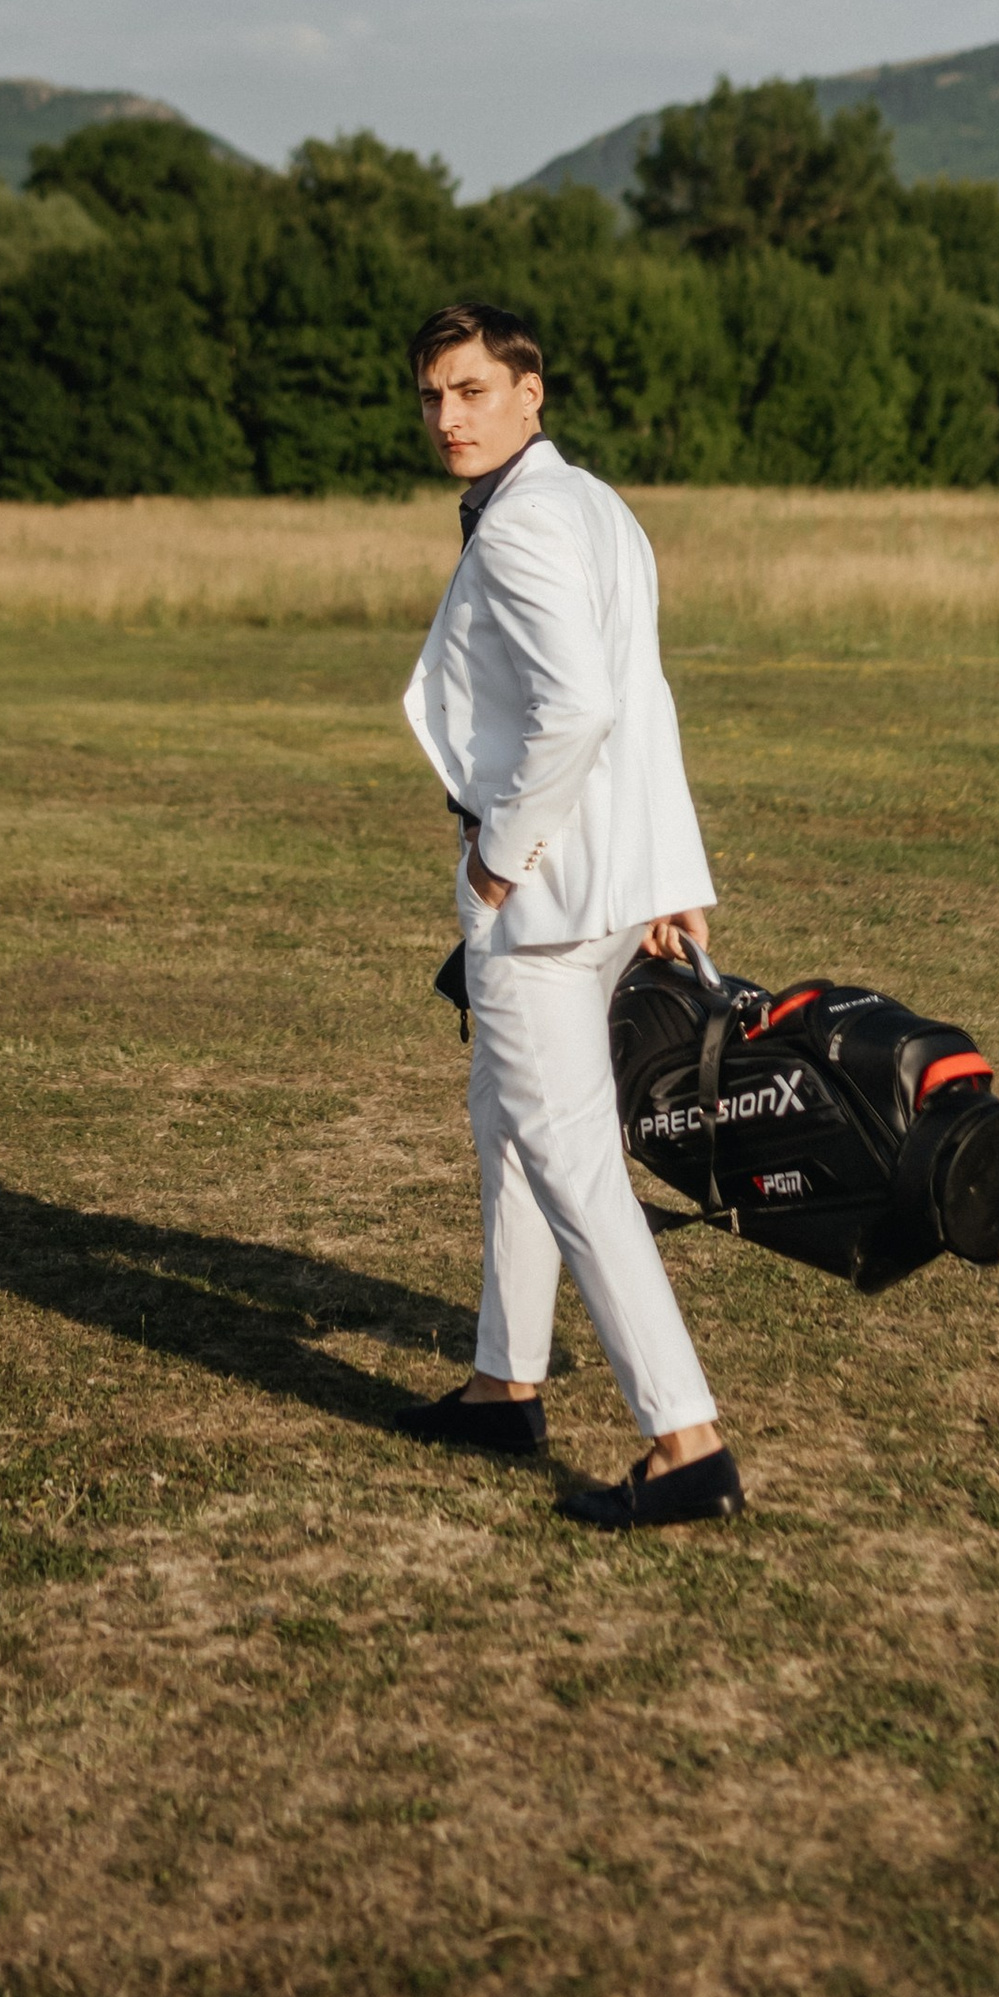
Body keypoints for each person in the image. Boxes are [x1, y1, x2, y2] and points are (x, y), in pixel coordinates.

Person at [391, 299, 744, 1529]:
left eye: (472, 391)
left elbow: (588, 707)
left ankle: (684, 1442)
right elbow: (647, 698)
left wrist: (497, 860)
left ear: (528, 392)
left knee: (574, 1162)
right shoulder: (596, 504)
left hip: (542, 900)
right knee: (508, 1128)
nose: (447, 416)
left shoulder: (527, 524)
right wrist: (668, 876)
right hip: (609, 883)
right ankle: (504, 1384)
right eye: (432, 394)